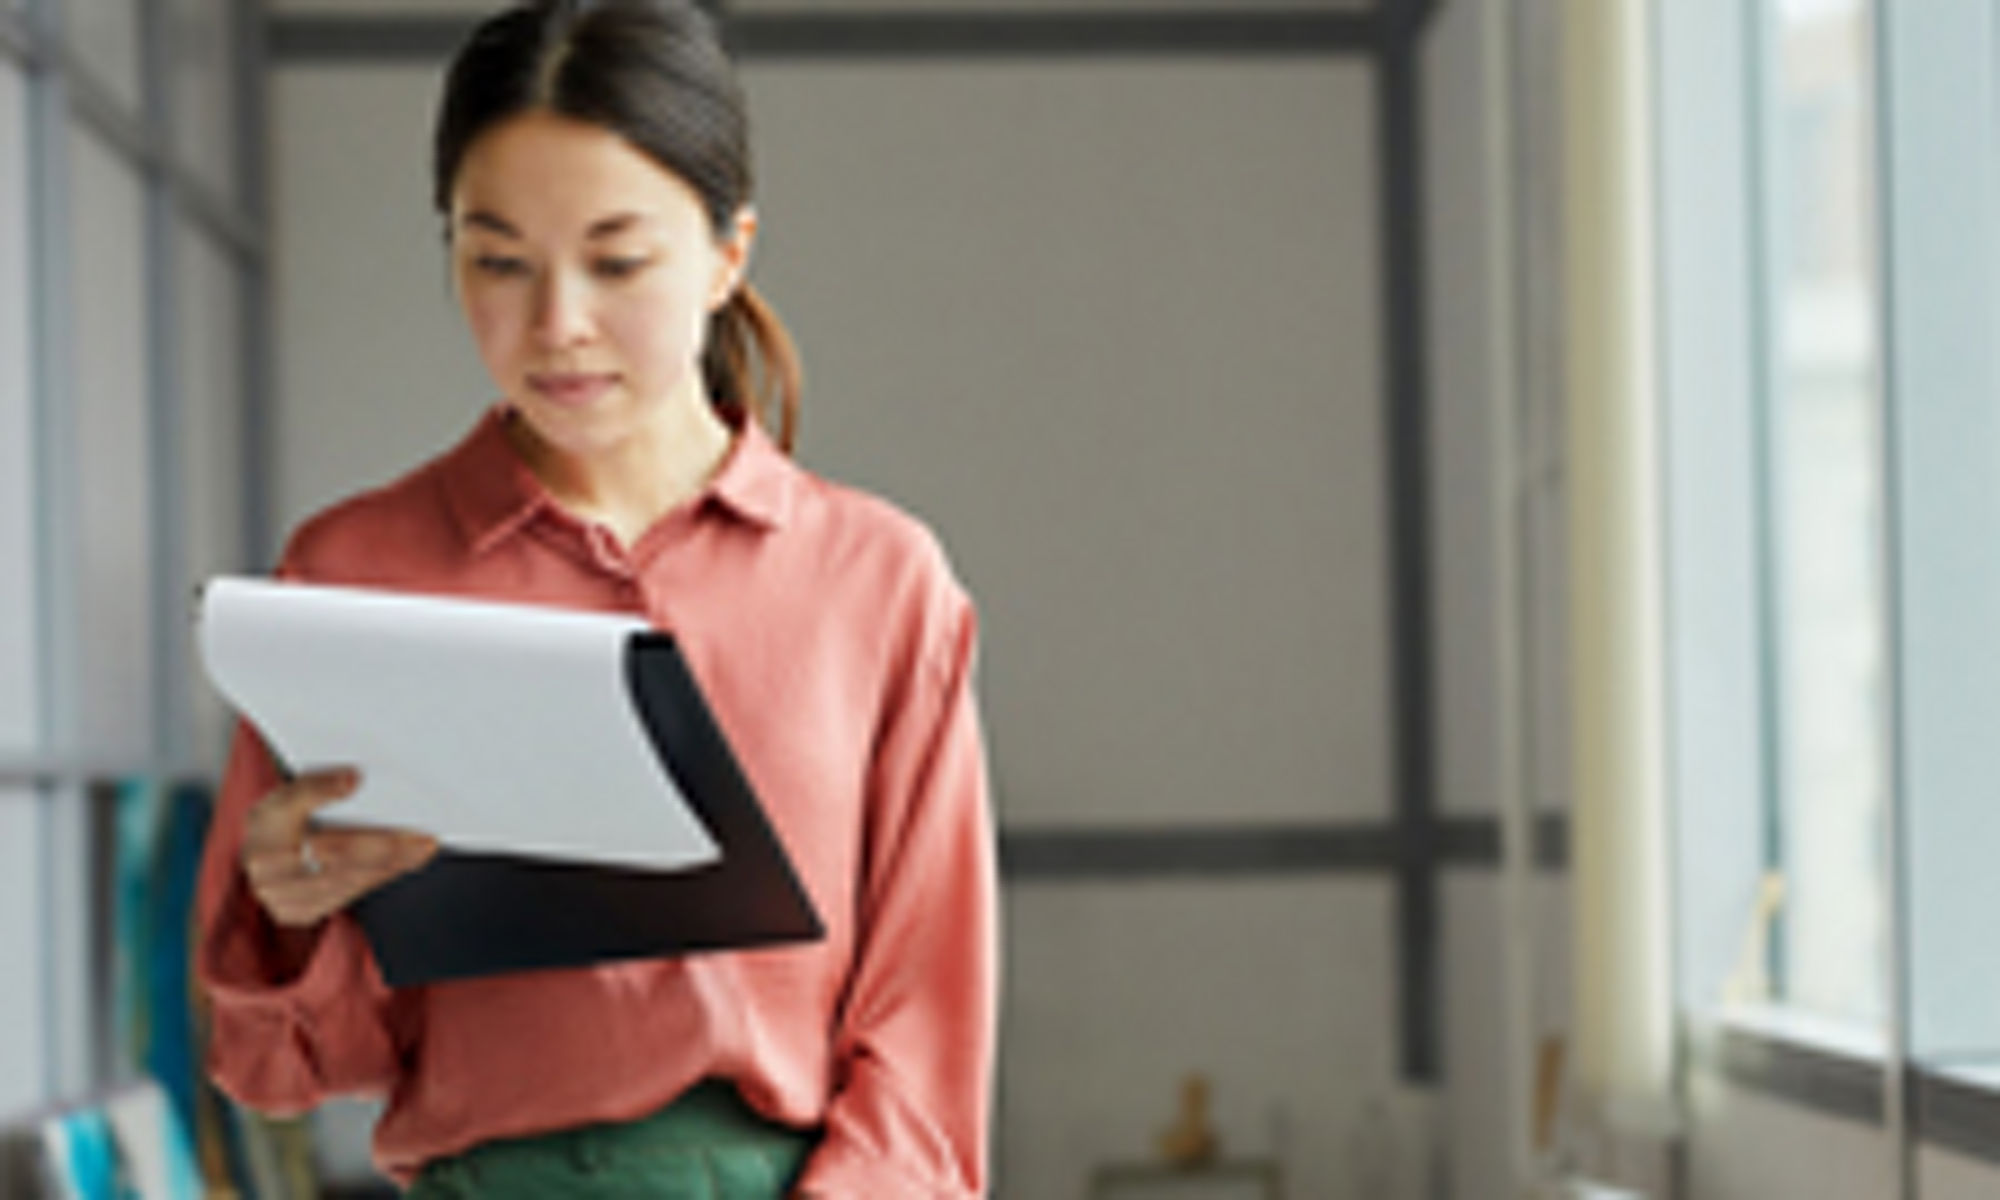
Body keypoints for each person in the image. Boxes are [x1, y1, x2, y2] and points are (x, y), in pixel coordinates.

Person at [193, 2, 998, 1195]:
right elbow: (283, 1069)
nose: (555, 323)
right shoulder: (353, 577)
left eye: (617, 261)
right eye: (497, 259)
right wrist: (292, 912)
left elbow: (923, 1058)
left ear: (729, 255)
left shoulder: (875, 583)